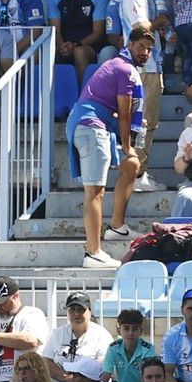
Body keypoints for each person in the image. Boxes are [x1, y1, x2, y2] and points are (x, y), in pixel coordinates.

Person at [65, 27, 151, 267]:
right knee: (95, 191)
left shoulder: (119, 65)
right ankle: (92, 253)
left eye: (150, 49)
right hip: (91, 127)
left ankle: (117, 227)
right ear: (128, 44)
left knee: (131, 166)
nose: (145, 52)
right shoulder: (125, 69)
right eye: (141, 46)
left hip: (95, 124)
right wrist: (126, 144)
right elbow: (124, 114)